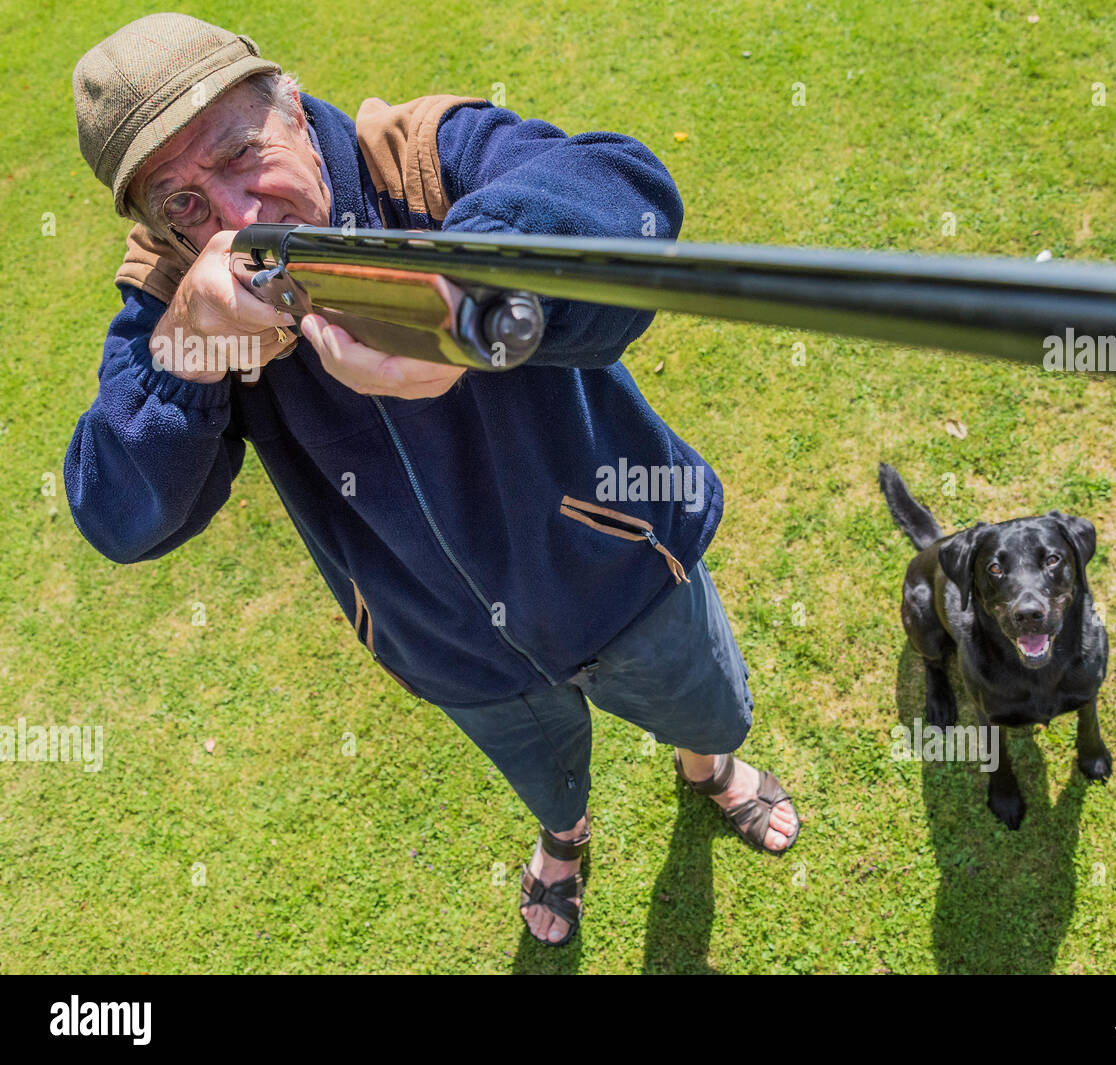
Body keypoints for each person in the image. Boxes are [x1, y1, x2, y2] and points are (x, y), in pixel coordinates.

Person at [67, 13, 799, 947]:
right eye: (183, 202)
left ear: (290, 104)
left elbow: (625, 190)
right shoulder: (176, 297)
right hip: (445, 643)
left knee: (703, 704)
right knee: (542, 769)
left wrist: (463, 291)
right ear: (153, 224)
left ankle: (708, 769)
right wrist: (192, 352)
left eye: (242, 153)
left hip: (622, 571)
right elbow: (116, 513)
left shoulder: (415, 154)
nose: (241, 219)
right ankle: (563, 839)